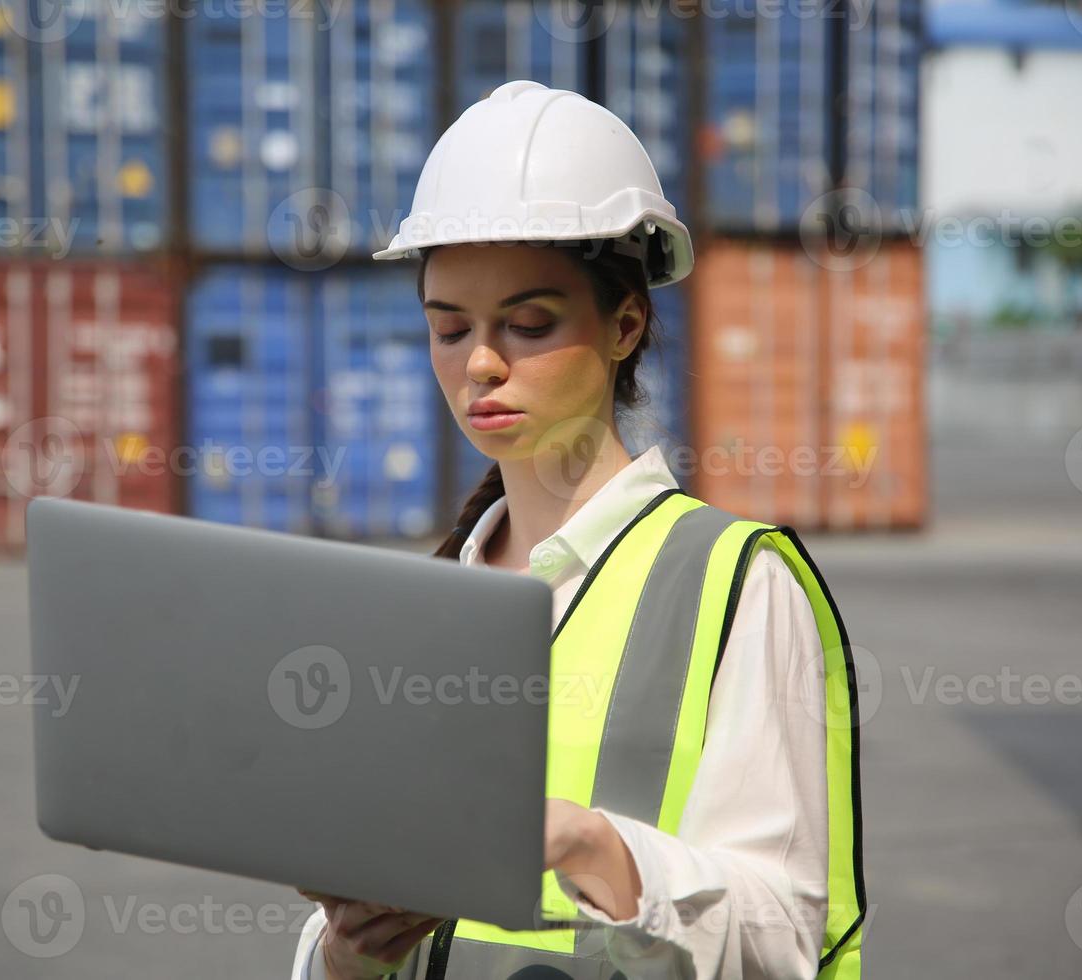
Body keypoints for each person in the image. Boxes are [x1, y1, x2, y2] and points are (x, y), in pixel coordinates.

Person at [289, 81, 865, 980]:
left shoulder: (736, 584)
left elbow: (783, 938)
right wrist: (344, 955)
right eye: (449, 329)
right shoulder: (424, 601)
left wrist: (588, 846)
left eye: (527, 323)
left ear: (625, 323)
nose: (480, 362)